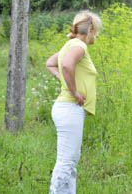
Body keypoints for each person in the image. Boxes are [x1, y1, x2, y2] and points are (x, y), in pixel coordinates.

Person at [46, 11, 102, 194]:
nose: (97, 35)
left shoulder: (69, 44)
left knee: (71, 160)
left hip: (68, 109)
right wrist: (75, 92)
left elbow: (50, 64)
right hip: (70, 108)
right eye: (97, 31)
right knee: (67, 161)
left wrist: (64, 80)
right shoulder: (79, 46)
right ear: (91, 29)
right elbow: (66, 65)